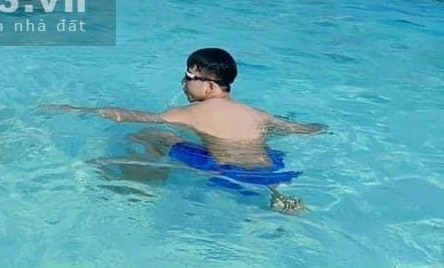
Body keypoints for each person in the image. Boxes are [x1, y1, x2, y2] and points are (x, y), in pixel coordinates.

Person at [40, 48, 326, 214]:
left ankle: (143, 189)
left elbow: (127, 116)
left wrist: (76, 110)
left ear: (210, 86)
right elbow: (306, 130)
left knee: (149, 135)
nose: (183, 83)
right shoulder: (257, 114)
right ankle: (281, 198)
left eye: (189, 77)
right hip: (273, 170)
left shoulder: (188, 113)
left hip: (226, 173)